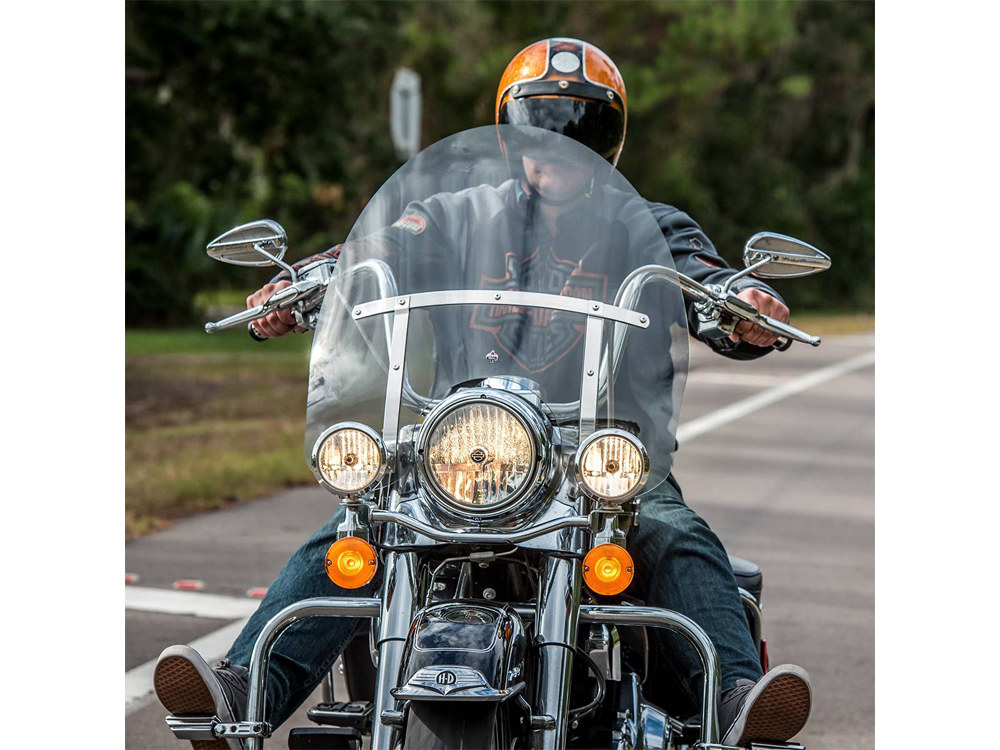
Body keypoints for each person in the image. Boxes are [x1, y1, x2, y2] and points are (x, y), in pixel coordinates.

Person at [154, 38, 812, 748]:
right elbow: (373, 249)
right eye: (537, 124)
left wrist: (742, 302)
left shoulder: (645, 225)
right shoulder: (453, 214)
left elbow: (706, 277)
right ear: (507, 132)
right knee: (362, 522)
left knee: (671, 530)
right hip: (462, 447)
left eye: (580, 126)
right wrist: (303, 283)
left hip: (594, 455)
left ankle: (736, 698)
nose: (555, 145)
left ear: (609, 140)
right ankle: (243, 688)